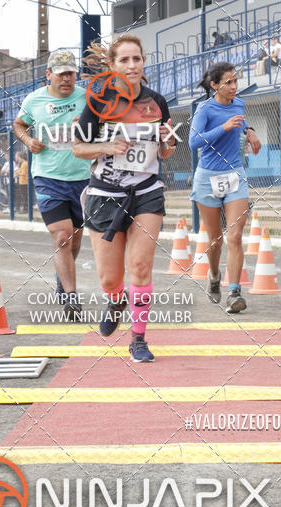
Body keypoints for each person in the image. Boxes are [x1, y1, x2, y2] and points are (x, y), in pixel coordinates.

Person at [73, 35, 176, 361]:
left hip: (146, 193)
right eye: (125, 60)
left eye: (137, 59)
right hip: (105, 193)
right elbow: (78, 149)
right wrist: (106, 146)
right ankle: (116, 299)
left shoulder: (157, 102)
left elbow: (167, 152)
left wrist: (166, 140)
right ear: (113, 65)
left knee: (140, 266)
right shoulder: (98, 103)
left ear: (143, 62)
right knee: (110, 277)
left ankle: (138, 338)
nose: (132, 65)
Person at [13, 49, 91, 319]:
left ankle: (62, 276)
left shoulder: (87, 97)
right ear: (48, 75)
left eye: (71, 73)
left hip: (82, 177)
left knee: (76, 237)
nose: (67, 79)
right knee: (62, 237)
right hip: (48, 177)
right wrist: (28, 141)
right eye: (61, 74)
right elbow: (19, 124)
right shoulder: (34, 100)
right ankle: (71, 298)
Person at [189, 63, 261, 313]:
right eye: (228, 82)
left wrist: (250, 131)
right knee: (215, 240)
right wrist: (224, 128)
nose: (234, 87)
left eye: (235, 81)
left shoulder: (239, 103)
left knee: (236, 236)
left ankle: (234, 293)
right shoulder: (205, 109)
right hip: (207, 177)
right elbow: (193, 141)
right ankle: (214, 275)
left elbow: (241, 122)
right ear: (214, 85)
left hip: (235, 176)